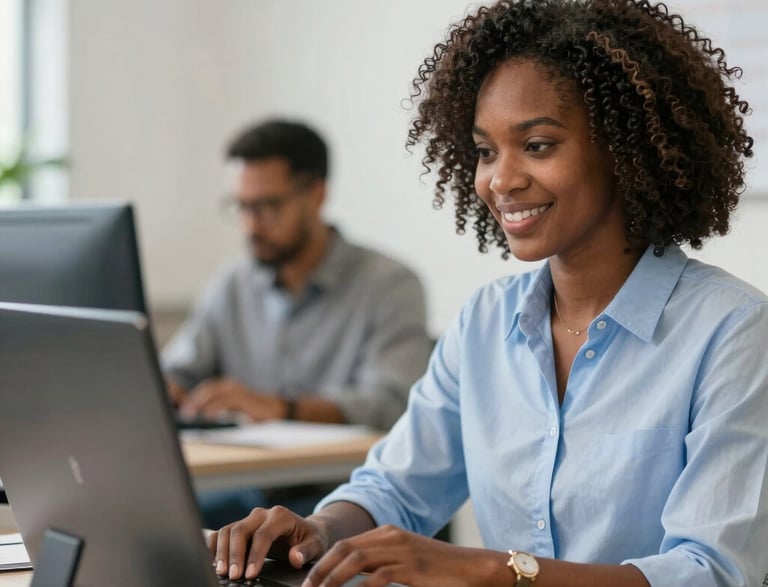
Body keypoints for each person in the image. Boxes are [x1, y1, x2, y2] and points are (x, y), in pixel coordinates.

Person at [209, 1, 768, 585]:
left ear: (626, 153)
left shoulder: (733, 330)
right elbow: (394, 487)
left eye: (539, 145)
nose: (501, 180)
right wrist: (319, 530)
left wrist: (492, 569)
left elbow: (710, 572)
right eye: (484, 151)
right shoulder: (485, 321)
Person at [161, 118, 433, 527]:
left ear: (316, 195)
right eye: (241, 207)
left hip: (341, 495)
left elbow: (392, 404)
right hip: (244, 490)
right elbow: (178, 371)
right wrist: (160, 391)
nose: (251, 225)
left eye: (267, 207)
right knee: (149, 526)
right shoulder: (231, 284)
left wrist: (280, 408)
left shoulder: (389, 286)